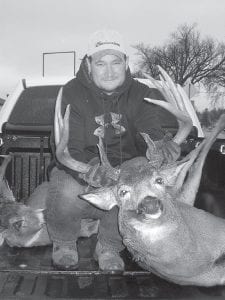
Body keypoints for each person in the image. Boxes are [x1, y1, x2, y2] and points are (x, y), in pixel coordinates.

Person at [46, 29, 180, 270]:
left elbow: (149, 126)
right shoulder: (72, 92)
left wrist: (159, 145)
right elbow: (68, 146)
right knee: (64, 185)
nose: (109, 71)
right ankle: (64, 243)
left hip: (124, 174)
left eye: (116, 62)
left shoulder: (140, 93)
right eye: (101, 63)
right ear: (89, 64)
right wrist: (91, 171)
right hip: (84, 174)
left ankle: (108, 247)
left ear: (126, 62)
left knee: (138, 178)